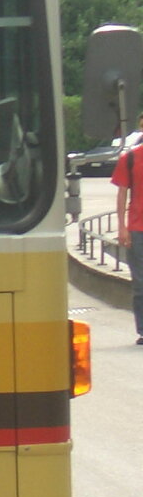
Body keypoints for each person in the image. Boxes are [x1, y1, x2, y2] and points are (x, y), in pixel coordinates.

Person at [112, 132, 143, 343]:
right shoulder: (130, 158)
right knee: (140, 282)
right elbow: (122, 193)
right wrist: (122, 227)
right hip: (137, 229)